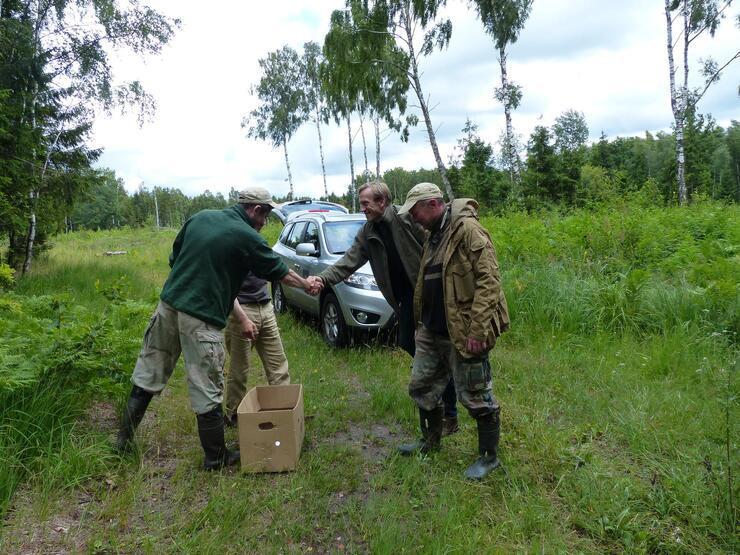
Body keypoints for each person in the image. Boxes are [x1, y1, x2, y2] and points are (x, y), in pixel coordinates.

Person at [115, 186, 316, 471]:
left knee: (149, 368)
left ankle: (123, 440)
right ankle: (216, 457)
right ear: (256, 210)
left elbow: (175, 258)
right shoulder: (246, 235)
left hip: (168, 305)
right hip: (202, 315)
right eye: (266, 216)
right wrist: (307, 284)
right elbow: (279, 271)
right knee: (207, 383)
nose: (265, 223)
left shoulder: (200, 217)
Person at [307, 181, 460, 434]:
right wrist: (322, 279)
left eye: (366, 203)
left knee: (437, 352)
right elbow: (348, 261)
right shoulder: (368, 231)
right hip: (404, 299)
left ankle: (449, 413)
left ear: (383, 202)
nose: (362, 208)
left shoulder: (406, 218)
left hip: (429, 295)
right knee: (411, 345)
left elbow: (437, 241)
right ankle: (441, 401)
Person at [395, 183, 510, 480]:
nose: (414, 218)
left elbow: (490, 281)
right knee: (422, 387)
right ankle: (429, 441)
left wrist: (478, 328)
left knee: (475, 394)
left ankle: (489, 458)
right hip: (431, 331)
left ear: (433, 204)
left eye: (416, 211)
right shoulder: (432, 235)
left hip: (464, 331)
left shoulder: (469, 230)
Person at [222, 272, 290, 428]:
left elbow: (271, 266)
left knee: (279, 366)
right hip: (242, 309)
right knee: (239, 370)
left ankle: (284, 411)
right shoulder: (228, 247)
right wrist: (242, 318)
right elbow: (224, 284)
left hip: (265, 306)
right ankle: (233, 416)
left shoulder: (259, 246)